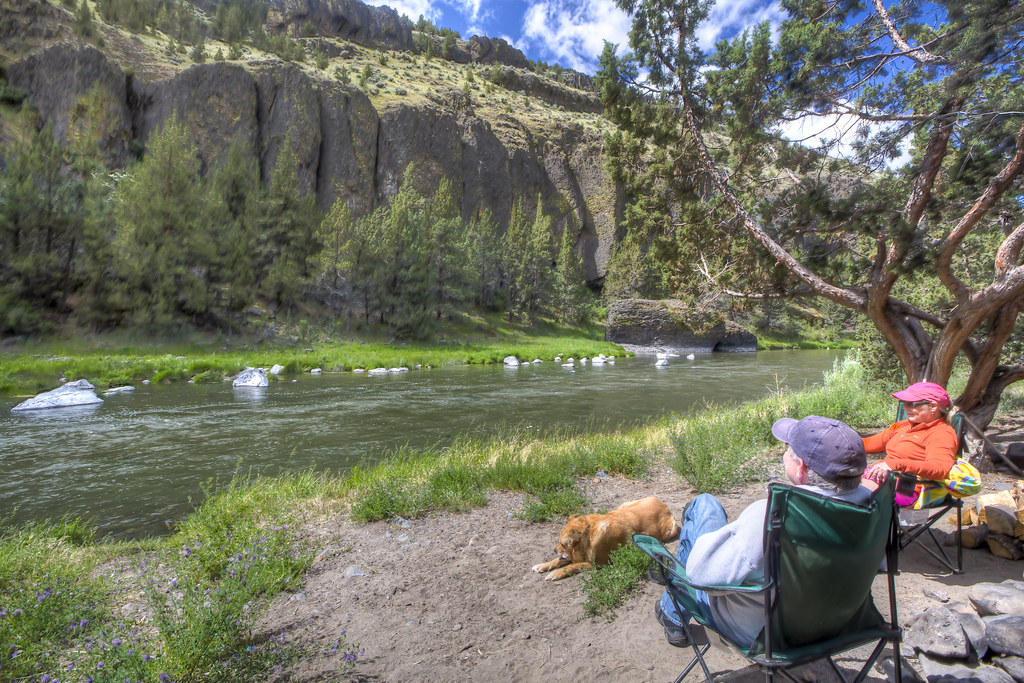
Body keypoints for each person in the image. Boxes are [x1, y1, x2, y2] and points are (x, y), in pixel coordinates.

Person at [654, 415, 871, 649]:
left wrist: (736, 532)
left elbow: (700, 577)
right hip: (836, 627)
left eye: (788, 449)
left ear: (802, 468)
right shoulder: (873, 509)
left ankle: (672, 613)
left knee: (705, 505)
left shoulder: (771, 517)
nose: (784, 453)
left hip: (761, 635)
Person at [862, 381, 958, 485]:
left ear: (933, 407)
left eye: (912, 404)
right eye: (904, 402)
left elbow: (939, 468)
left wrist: (895, 464)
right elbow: (868, 444)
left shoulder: (942, 433)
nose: (905, 407)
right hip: (881, 479)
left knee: (846, 495)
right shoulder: (904, 425)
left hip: (907, 487)